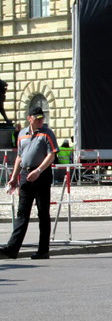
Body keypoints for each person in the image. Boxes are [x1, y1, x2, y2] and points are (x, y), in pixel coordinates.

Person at [0, 106, 59, 260]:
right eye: (37, 118)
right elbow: (20, 157)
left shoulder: (47, 133)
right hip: (26, 174)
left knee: (43, 213)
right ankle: (12, 249)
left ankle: (43, 250)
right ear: (29, 118)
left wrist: (39, 171)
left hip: (42, 174)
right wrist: (14, 178)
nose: (40, 120)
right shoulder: (22, 134)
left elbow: (51, 155)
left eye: (42, 118)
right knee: (22, 213)